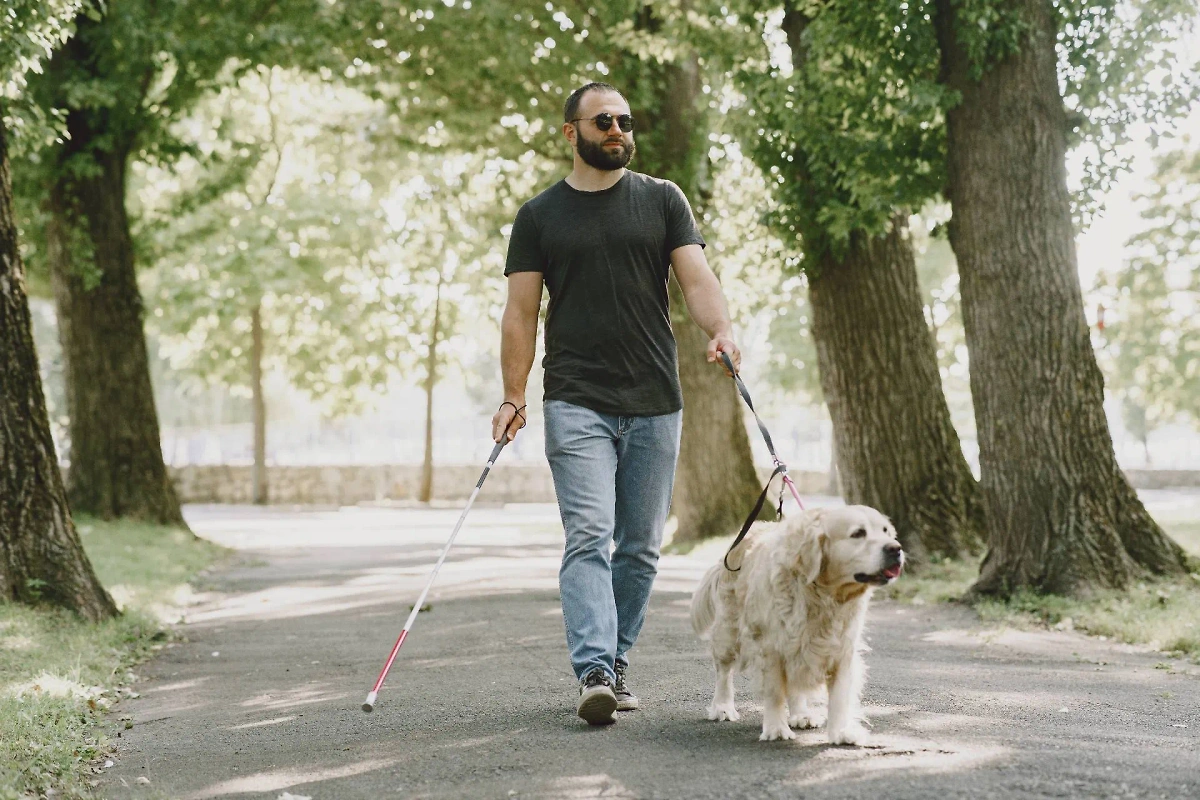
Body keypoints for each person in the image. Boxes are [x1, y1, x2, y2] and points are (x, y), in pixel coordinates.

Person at [492, 81, 742, 726]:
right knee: (589, 535)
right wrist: (513, 394)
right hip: (577, 399)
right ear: (571, 132)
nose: (618, 131)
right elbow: (521, 312)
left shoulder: (662, 200)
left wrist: (721, 330)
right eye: (603, 120)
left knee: (639, 547)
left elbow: (696, 278)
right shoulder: (540, 216)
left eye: (626, 121)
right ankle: (595, 668)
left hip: (656, 398)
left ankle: (616, 659)